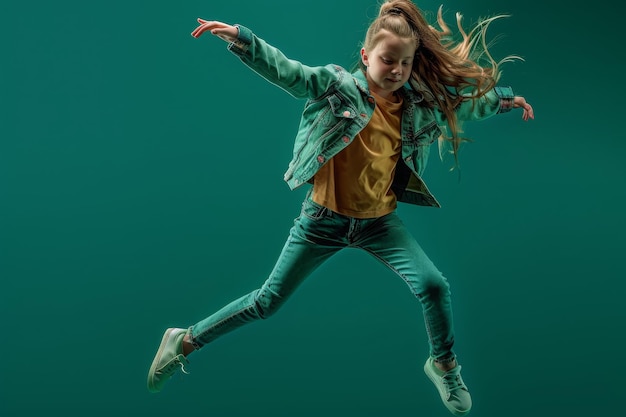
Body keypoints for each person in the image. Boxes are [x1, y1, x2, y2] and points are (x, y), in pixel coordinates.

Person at [147, 1, 534, 416]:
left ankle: (443, 364)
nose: (397, 70)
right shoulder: (337, 86)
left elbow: (460, 107)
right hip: (321, 222)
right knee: (266, 302)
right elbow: (289, 72)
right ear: (367, 57)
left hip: (379, 224)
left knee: (434, 285)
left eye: (405, 62)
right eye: (388, 60)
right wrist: (243, 39)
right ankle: (184, 340)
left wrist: (503, 101)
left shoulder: (418, 105)